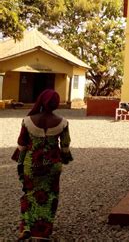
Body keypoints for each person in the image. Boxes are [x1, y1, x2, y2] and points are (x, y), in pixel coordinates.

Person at [11, 89, 73, 240]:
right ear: (56, 104)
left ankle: (26, 227)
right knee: (50, 196)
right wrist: (63, 159)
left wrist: (20, 164)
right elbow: (65, 147)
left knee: (29, 194)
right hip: (52, 165)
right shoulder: (63, 123)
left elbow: (22, 145)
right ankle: (43, 233)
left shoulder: (27, 121)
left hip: (32, 164)